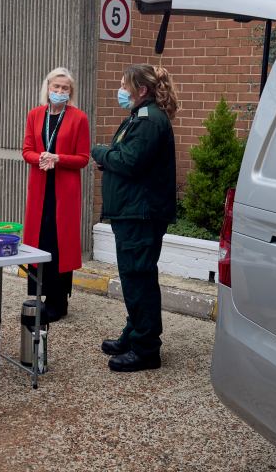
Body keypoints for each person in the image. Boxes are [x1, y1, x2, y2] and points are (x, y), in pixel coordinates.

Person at [90, 64, 178, 372]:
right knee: (134, 278)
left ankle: (146, 348)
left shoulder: (150, 120)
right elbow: (128, 158)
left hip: (141, 214)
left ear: (141, 90)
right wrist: (111, 157)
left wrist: (100, 153)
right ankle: (134, 332)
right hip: (133, 211)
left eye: (125, 85)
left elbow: (128, 160)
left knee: (138, 278)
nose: (121, 90)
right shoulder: (140, 117)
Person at [21, 67, 91, 323]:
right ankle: (39, 294)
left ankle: (58, 301)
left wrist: (58, 158)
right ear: (47, 88)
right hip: (40, 188)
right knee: (39, 240)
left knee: (59, 243)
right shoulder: (35, 115)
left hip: (64, 191)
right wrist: (40, 157)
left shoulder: (78, 118)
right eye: (56, 87)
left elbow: (83, 158)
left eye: (65, 88)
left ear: (70, 92)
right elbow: (26, 150)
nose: (60, 92)